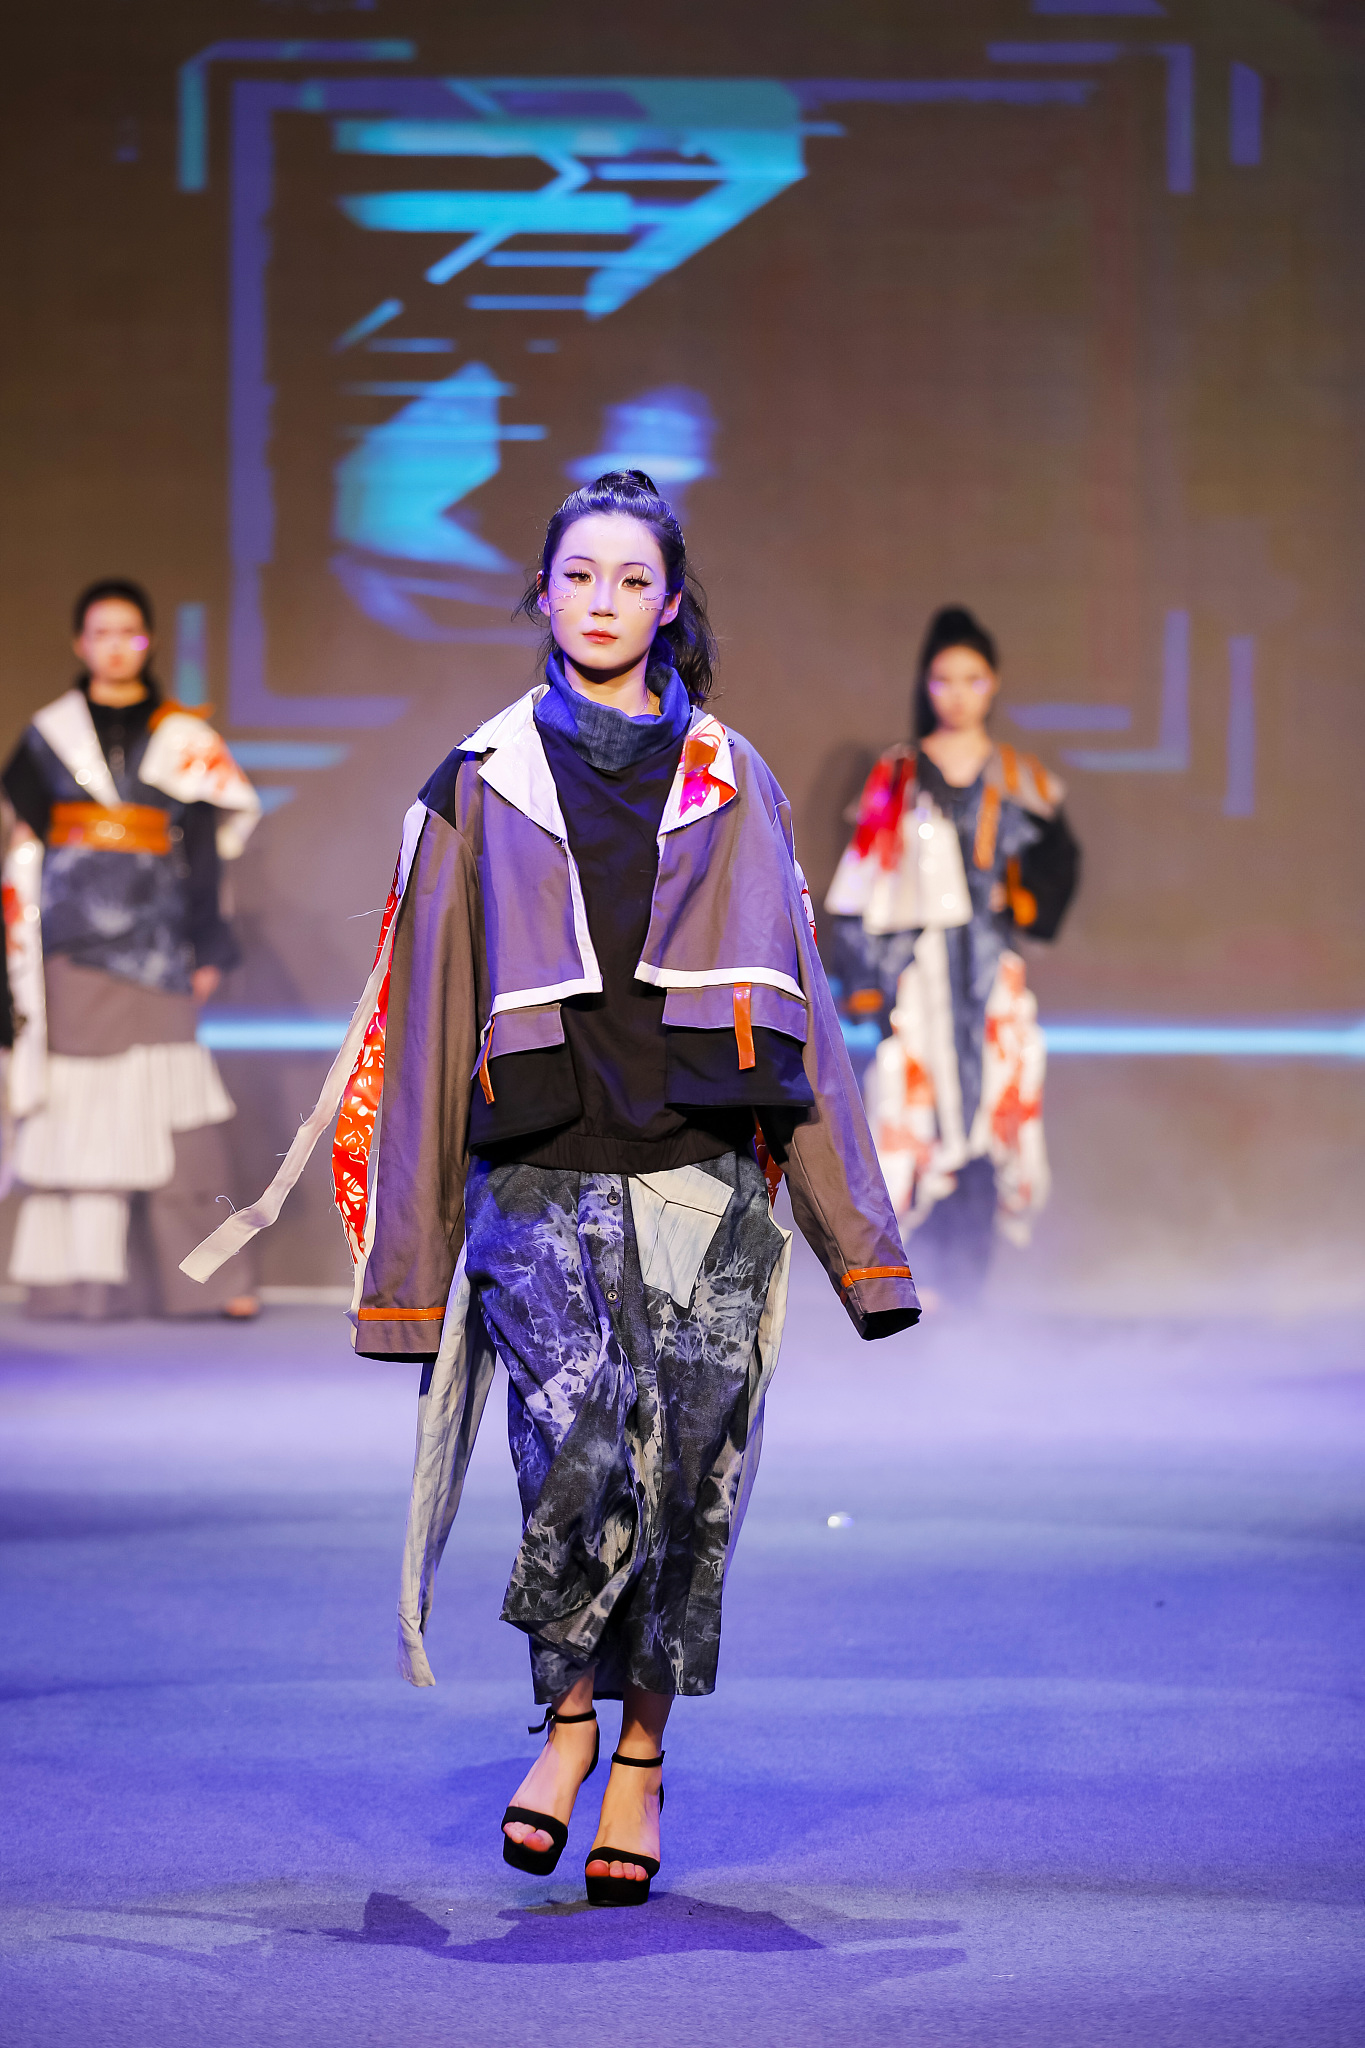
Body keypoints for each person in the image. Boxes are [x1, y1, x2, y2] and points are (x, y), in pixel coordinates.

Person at [182, 471, 920, 1907]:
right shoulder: (475, 782)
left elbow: (806, 1016)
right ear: (540, 593)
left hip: (706, 1177)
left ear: (668, 601)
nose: (600, 602)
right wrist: (404, 1271)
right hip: (536, 1178)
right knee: (570, 1470)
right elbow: (419, 1029)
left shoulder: (736, 778)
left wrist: (860, 1246)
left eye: (629, 580)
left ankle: (639, 1762)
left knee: (690, 1489)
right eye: (577, 576)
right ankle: (568, 1729)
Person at [1, 579, 261, 1318]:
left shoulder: (182, 737)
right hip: (70, 949)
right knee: (76, 1107)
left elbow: (207, 853)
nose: (116, 645)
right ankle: (79, 1287)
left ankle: (214, 1282)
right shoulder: (50, 736)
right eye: (101, 632)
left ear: (147, 643)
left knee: (180, 1116)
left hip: (158, 946)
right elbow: (21, 847)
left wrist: (209, 944)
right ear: (81, 644)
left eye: (130, 633)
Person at [826, 605, 1080, 1307]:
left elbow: (1057, 869)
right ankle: (914, 1293)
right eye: (943, 679)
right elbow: (861, 886)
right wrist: (867, 985)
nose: (958, 693)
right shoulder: (898, 774)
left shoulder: (1021, 776)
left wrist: (1024, 898)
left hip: (992, 974)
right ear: (926, 684)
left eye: (972, 678)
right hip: (920, 977)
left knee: (996, 1116)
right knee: (911, 1122)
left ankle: (972, 1296)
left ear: (992, 684)